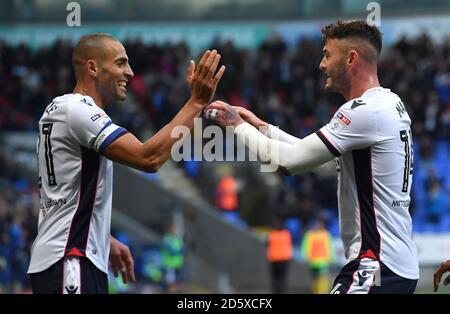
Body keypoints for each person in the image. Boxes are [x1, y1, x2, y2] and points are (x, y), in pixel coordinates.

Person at [206, 20, 419, 294]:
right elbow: (323, 161)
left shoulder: (363, 111)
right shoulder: (389, 104)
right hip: (396, 264)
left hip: (376, 263)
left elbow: (289, 162)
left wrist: (235, 124)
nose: (322, 64)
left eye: (328, 54)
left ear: (351, 58)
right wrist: (263, 127)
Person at [27, 33, 225, 294]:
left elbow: (63, 196)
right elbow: (149, 158)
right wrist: (196, 103)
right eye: (120, 63)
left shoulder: (60, 110)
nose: (130, 72)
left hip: (69, 255)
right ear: (93, 67)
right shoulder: (78, 110)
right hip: (71, 259)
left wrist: (103, 239)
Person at [301, 217, 335, 294]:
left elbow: (329, 247)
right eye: (316, 224)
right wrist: (306, 257)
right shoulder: (309, 235)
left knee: (322, 279)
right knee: (314, 279)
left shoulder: (326, 234)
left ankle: (322, 292)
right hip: (312, 262)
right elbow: (305, 246)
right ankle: (315, 291)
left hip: (323, 261)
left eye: (319, 224)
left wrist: (331, 258)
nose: (317, 225)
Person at [266, 222, 293, 294]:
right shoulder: (286, 234)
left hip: (274, 259)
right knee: (283, 278)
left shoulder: (272, 234)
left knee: (275, 278)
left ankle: (275, 291)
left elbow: (267, 244)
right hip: (284, 259)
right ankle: (282, 291)